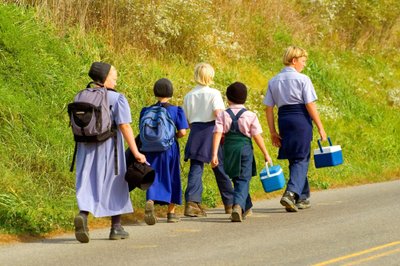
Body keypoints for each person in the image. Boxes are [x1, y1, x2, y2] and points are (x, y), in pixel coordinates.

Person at [73, 62, 146, 243]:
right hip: (109, 148)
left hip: (85, 148)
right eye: (114, 76)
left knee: (88, 181)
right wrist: (136, 152)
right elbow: (124, 126)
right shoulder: (116, 98)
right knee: (115, 182)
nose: (116, 79)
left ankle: (83, 215)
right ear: (105, 78)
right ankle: (116, 227)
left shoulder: (80, 96)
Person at [264, 46, 327, 212]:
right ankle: (291, 193)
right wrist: (320, 126)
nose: (304, 65)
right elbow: (310, 104)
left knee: (295, 156)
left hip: (284, 119)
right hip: (300, 119)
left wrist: (272, 131)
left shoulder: (273, 81)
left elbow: (268, 109)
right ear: (294, 60)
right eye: (303, 61)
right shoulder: (303, 79)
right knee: (301, 158)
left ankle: (302, 197)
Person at [211, 82, 272, 222]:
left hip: (229, 149)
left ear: (228, 98)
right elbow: (257, 136)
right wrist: (266, 154)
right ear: (245, 98)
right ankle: (237, 206)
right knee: (244, 178)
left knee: (236, 177)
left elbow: (217, 133)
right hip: (244, 148)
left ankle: (247, 206)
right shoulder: (251, 115)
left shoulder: (222, 115)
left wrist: (214, 154)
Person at [183, 63, 234, 216]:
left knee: (196, 168)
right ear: (210, 76)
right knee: (220, 167)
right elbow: (219, 114)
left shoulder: (188, 95)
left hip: (196, 131)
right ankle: (230, 202)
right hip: (212, 131)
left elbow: (187, 120)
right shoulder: (214, 93)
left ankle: (192, 202)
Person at [139, 78, 189, 225]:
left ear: (155, 92)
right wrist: (174, 136)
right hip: (169, 148)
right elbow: (183, 132)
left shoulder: (147, 110)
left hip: (149, 149)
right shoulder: (176, 110)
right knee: (172, 175)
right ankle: (171, 213)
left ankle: (150, 200)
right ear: (171, 92)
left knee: (153, 174)